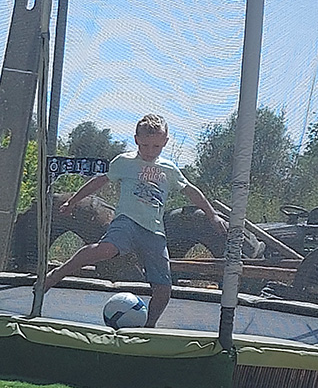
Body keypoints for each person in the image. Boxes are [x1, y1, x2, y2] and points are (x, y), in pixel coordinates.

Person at [43, 113, 226, 327]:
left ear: (165, 142)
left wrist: (212, 215)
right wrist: (73, 201)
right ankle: (59, 273)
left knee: (163, 289)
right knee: (106, 249)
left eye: (156, 146)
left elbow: (192, 192)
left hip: (154, 231)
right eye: (145, 145)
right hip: (126, 222)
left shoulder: (169, 169)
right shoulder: (125, 161)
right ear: (136, 139)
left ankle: (149, 327)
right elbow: (98, 182)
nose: (150, 151)